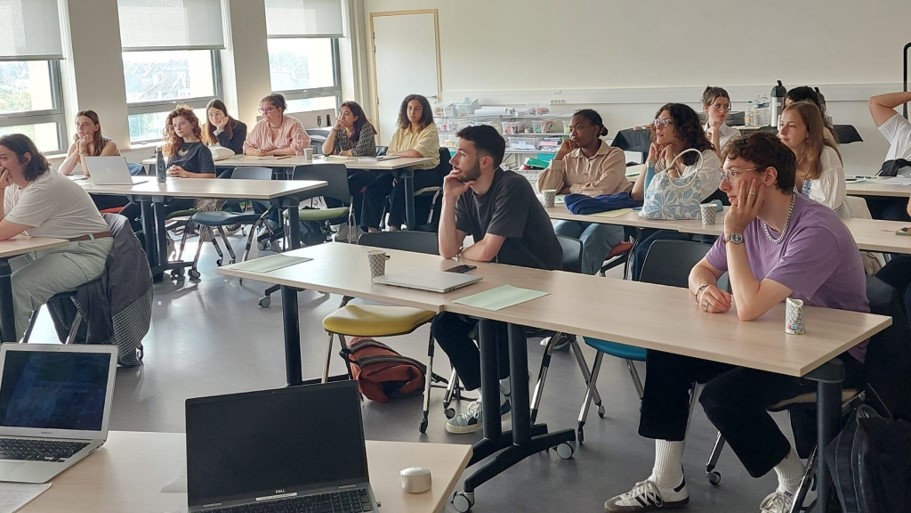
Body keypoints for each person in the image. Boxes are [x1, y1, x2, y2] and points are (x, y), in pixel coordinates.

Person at [603, 133, 868, 513]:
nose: (723, 184)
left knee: (723, 397)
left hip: (832, 355)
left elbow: (749, 307)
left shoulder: (814, 229)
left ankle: (795, 482)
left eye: (733, 174)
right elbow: (702, 269)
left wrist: (735, 233)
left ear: (767, 176)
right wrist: (703, 290)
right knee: (669, 352)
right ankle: (667, 480)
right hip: (771, 339)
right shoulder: (752, 218)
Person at [433, 124, 562, 434]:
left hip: (539, 287)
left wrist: (465, 255)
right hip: (497, 285)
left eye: (462, 154)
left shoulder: (512, 186)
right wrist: (448, 200)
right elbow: (448, 249)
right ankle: (493, 396)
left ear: (486, 161)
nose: (453, 161)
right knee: (445, 324)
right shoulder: (466, 191)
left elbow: (488, 250)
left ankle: (502, 396)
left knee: (490, 321)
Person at [0, 134, 113, 341]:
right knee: (3, 283)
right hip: (50, 250)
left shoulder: (44, 186)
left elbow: (2, 232)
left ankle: (6, 355)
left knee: (17, 288)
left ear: (25, 158)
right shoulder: (14, 186)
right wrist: (0, 190)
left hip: (84, 253)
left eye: (3, 157)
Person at [629, 103, 723, 279]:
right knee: (641, 247)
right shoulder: (664, 154)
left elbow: (682, 199)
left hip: (694, 228)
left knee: (646, 250)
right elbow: (639, 194)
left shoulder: (706, 158)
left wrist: (671, 162)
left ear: (683, 127)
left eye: (665, 122)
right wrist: (650, 161)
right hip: (667, 223)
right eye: (657, 121)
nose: (658, 126)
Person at [536, 109, 629, 274]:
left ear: (596, 129)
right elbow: (545, 189)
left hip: (609, 218)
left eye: (579, 128)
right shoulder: (567, 156)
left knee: (588, 242)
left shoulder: (614, 155)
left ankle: (577, 289)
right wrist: (559, 156)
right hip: (577, 216)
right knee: (554, 239)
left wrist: (570, 188)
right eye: (571, 129)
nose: (573, 134)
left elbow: (602, 190)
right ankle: (552, 284)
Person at [121, 107, 216, 231]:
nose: (178, 128)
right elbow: (165, 173)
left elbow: (211, 176)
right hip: (167, 192)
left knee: (148, 212)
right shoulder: (175, 149)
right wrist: (167, 173)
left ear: (192, 124)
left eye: (182, 123)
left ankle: (151, 245)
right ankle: (135, 243)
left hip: (185, 198)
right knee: (128, 211)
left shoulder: (202, 150)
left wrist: (185, 174)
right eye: (175, 125)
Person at [360, 94, 440, 232]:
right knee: (373, 187)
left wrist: (397, 154)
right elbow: (389, 151)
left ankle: (394, 228)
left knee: (401, 188)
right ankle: (371, 229)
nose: (412, 112)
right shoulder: (401, 130)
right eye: (409, 108)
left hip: (426, 171)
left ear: (424, 111)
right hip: (400, 170)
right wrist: (398, 156)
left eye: (417, 109)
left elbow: (416, 153)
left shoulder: (429, 130)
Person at [778, 101, 848, 218]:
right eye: (781, 124)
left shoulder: (826, 155)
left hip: (826, 226)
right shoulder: (777, 157)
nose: (782, 131)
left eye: (791, 126)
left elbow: (826, 210)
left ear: (809, 131)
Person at [322, 101, 378, 239]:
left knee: (351, 185)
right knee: (328, 184)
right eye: (340, 113)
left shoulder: (366, 127)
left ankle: (358, 226)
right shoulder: (340, 131)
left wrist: (344, 153)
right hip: (349, 169)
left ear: (356, 117)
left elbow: (360, 151)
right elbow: (326, 151)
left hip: (368, 170)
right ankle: (341, 225)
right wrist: (334, 130)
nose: (342, 117)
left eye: (347, 114)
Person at [57, 110, 128, 211]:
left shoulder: (109, 145)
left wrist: (82, 150)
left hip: (115, 193)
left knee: (79, 202)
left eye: (85, 124)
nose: (80, 128)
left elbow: (90, 173)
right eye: (77, 124)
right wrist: (77, 150)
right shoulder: (75, 146)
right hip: (95, 191)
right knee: (66, 199)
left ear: (96, 127)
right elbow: (62, 171)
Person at [866, 91, 911, 220]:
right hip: (880, 193)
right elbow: (876, 103)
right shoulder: (903, 130)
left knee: (892, 216)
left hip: (903, 201)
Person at [243, 93, 311, 157]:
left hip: (289, 165)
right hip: (265, 164)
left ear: (279, 110)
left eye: (269, 109)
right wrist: (256, 152)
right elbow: (247, 147)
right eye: (262, 110)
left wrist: (271, 153)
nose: (264, 113)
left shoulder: (294, 124)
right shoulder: (260, 125)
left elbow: (299, 148)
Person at [701, 86, 741, 156]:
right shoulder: (698, 133)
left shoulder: (734, 135)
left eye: (726, 106)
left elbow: (719, 164)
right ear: (706, 108)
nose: (722, 111)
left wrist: (715, 136)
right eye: (717, 106)